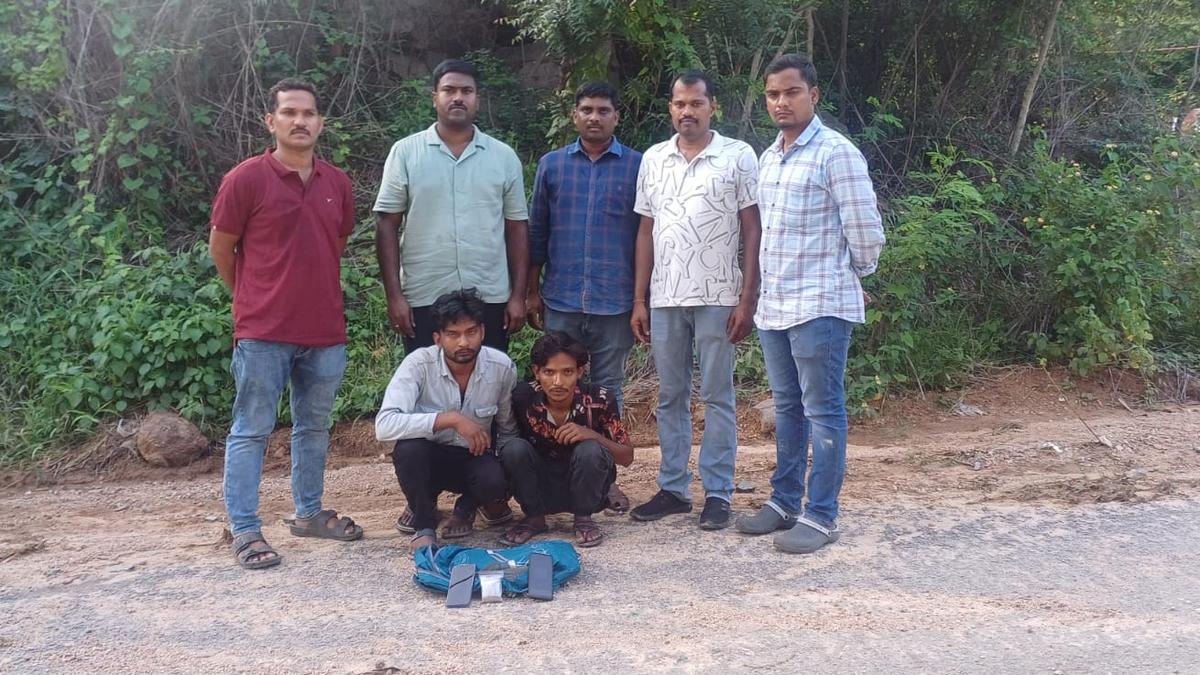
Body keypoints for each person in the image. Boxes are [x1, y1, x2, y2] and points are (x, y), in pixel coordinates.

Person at [209, 78, 363, 570]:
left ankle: (308, 513)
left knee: (313, 426)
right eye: (290, 113)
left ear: (321, 123)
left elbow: (334, 244)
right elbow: (221, 248)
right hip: (263, 331)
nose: (300, 121)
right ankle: (245, 528)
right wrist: (251, 297)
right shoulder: (245, 179)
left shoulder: (336, 183)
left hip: (324, 330)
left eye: (309, 113)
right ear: (270, 121)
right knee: (251, 429)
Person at [734, 54, 884, 554]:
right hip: (776, 305)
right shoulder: (769, 158)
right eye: (773, 94)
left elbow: (865, 230)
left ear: (813, 95)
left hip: (820, 304)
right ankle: (783, 501)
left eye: (791, 92)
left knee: (823, 409)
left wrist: (853, 275)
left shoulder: (836, 153)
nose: (781, 102)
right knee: (787, 406)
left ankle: (821, 515)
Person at [628, 70, 762, 531]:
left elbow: (752, 229)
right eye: (680, 103)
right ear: (671, 107)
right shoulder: (654, 158)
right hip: (665, 297)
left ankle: (718, 493)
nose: (688, 111)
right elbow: (645, 230)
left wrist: (747, 298)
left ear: (713, 106)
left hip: (719, 296)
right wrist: (640, 299)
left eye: (696, 103)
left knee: (718, 395)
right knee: (670, 396)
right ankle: (673, 488)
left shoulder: (738, 156)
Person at [374, 58, 529, 354]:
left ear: (477, 100)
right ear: (435, 98)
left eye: (466, 91)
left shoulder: (503, 157)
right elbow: (386, 225)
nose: (458, 97)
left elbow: (517, 227)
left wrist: (518, 295)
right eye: (449, 90)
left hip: (489, 295)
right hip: (424, 294)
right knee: (425, 376)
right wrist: (394, 296)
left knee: (490, 375)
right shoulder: (405, 153)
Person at [527, 80, 642, 413]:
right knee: (558, 385)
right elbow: (538, 232)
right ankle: (558, 447)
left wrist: (641, 299)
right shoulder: (552, 165)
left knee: (608, 387)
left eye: (603, 111)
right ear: (574, 115)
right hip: (561, 300)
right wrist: (531, 292)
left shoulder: (639, 166)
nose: (594, 117)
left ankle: (605, 448)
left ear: (616, 117)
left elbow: (647, 237)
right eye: (587, 110)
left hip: (615, 302)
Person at [375, 289, 518, 550]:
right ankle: (423, 520)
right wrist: (450, 419)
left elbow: (508, 428)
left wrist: (504, 484)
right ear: (437, 338)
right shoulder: (417, 365)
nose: (463, 342)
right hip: (428, 457)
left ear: (482, 332)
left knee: (495, 476)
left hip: (473, 456)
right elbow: (385, 426)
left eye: (471, 332)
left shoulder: (502, 367)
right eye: (453, 334)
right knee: (409, 450)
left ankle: (467, 508)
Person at [498, 332, 634, 548]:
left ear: (580, 371)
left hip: (587, 485)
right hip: (540, 486)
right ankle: (534, 518)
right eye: (549, 372)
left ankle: (583, 519)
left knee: (590, 449)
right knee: (513, 448)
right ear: (537, 372)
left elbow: (627, 457)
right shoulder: (523, 398)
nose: (558, 382)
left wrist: (593, 435)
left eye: (567, 372)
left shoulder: (600, 399)